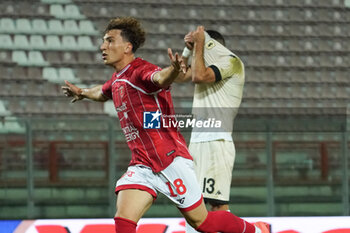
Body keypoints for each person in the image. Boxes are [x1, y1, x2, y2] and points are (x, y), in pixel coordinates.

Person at [62, 17, 269, 233]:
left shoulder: (140, 71)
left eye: (109, 41)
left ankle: (255, 230)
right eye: (104, 41)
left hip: (169, 159)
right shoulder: (118, 79)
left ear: (127, 47)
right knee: (123, 220)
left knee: (202, 222)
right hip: (142, 164)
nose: (103, 46)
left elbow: (160, 78)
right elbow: (102, 92)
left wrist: (172, 70)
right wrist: (82, 92)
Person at [175, 26, 246, 233]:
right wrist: (187, 51)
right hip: (197, 142)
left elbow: (198, 76)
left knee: (217, 205)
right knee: (191, 205)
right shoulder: (201, 64)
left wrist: (198, 45)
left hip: (217, 141)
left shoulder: (231, 62)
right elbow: (180, 77)